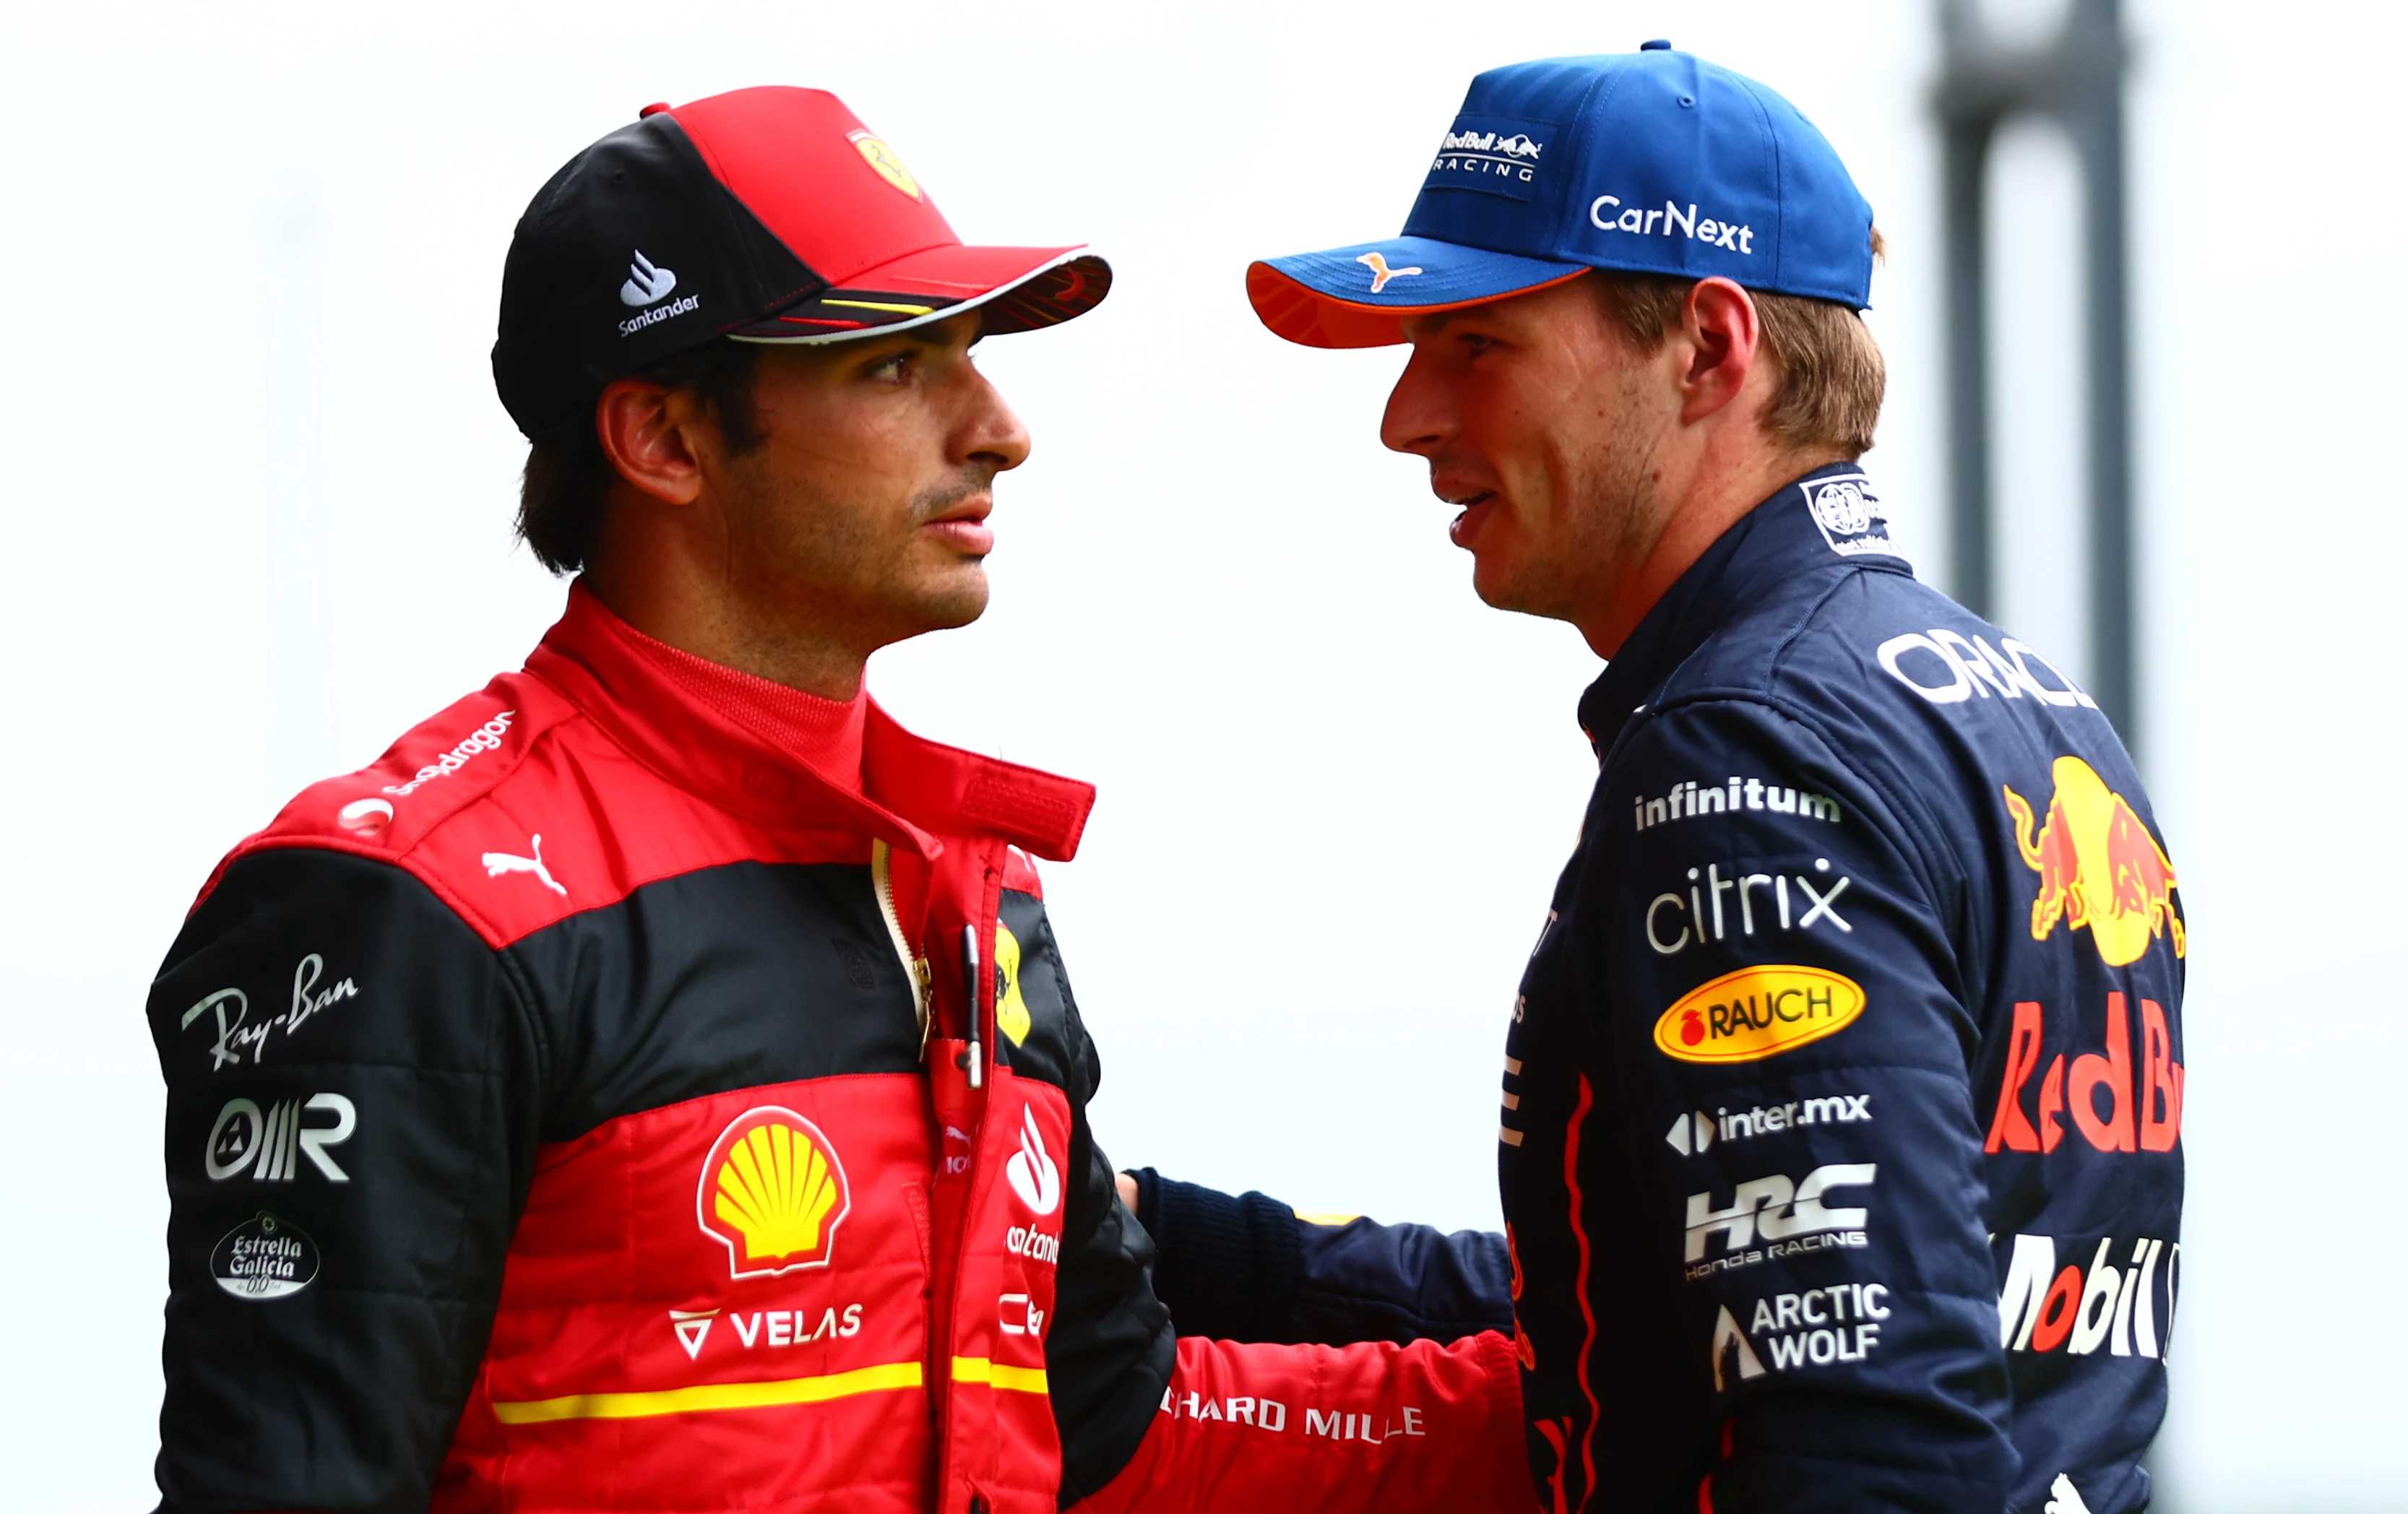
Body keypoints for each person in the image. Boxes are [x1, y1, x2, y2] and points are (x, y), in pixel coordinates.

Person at [146, 86, 1533, 1514]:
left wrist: (1624, 1395)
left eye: (974, 356)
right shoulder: (406, 901)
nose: (998, 428)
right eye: (894, 365)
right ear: (665, 441)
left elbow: (1109, 1433)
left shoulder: (963, 883)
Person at [1126, 45, 2185, 1514]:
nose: (1407, 416)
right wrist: (1170, 1240)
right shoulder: (2024, 708)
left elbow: (1865, 1426)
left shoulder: (1744, 745)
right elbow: (1686, 1290)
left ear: (1706, 345)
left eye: (1476, 341)